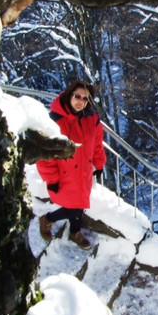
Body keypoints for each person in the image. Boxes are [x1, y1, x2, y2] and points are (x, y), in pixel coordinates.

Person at [36, 80, 106, 249]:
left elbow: (97, 143)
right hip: (64, 172)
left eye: (85, 98)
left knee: (79, 204)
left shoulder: (91, 118)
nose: (80, 101)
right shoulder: (55, 120)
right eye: (77, 96)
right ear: (69, 95)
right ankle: (49, 219)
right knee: (74, 206)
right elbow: (45, 153)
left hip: (84, 171)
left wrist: (99, 164)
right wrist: (51, 179)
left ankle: (74, 231)